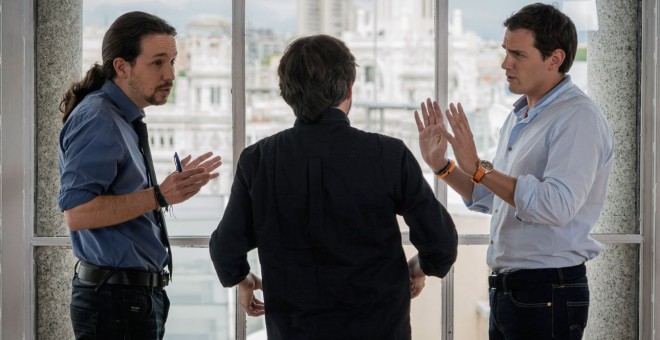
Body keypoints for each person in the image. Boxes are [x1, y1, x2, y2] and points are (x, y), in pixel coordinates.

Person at [209, 34, 458, 339]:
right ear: (349, 88)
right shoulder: (389, 154)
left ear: (287, 94)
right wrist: (417, 269)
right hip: (379, 328)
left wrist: (245, 280)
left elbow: (225, 251)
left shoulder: (258, 160)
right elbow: (442, 243)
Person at [415, 3, 614, 339]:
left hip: (548, 289)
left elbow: (556, 205)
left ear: (555, 59)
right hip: (514, 291)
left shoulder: (577, 118)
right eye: (505, 51)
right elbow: (491, 196)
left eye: (517, 54)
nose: (504, 63)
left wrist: (479, 168)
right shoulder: (520, 116)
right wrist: (443, 166)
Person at [57, 11, 221, 339]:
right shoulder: (99, 119)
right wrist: (160, 195)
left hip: (128, 298)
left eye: (173, 62)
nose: (171, 74)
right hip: (115, 301)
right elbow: (77, 214)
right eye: (157, 63)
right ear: (122, 67)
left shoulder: (119, 117)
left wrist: (166, 190)